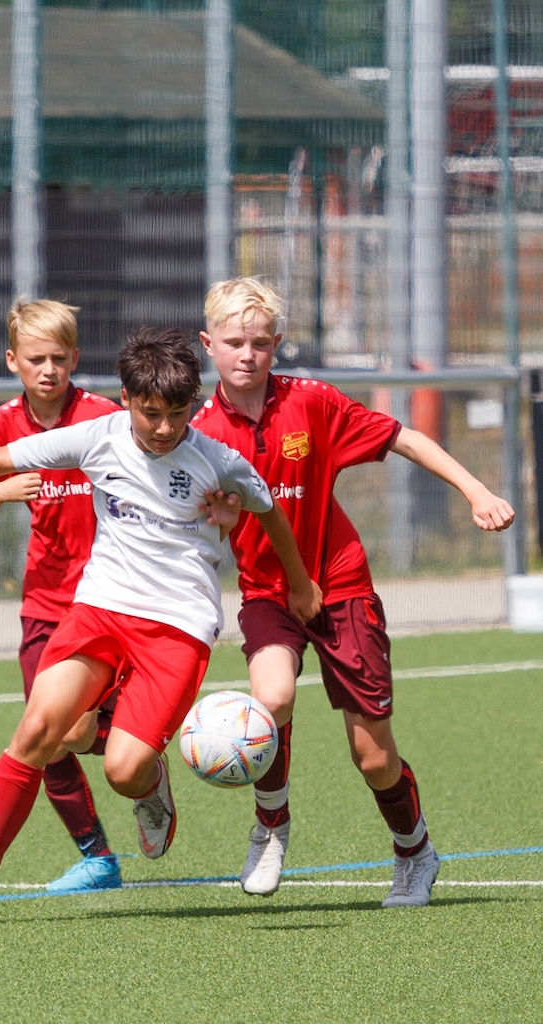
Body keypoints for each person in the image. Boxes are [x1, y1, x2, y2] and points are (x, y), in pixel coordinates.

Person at [0, 326, 322, 923]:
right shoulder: (97, 436)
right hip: (100, 609)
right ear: (126, 399)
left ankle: (150, 788)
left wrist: (300, 584)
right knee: (39, 731)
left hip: (178, 626)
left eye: (177, 414)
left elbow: (271, 512)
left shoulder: (217, 460)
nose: (164, 428)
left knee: (123, 771)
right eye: (151, 413)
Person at [193, 277, 515, 906]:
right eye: (233, 343)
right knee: (271, 699)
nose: (247, 355)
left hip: (340, 587)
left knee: (373, 758)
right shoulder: (199, 433)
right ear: (209, 345)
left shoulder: (310, 401)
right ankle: (271, 825)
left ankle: (415, 852)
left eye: (260, 343)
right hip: (268, 593)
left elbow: (404, 438)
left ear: (277, 343)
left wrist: (476, 491)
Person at [0, 298, 123, 894]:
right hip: (44, 604)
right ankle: (97, 858)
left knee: (88, 731)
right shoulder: (3, 424)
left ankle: (147, 766)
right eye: (36, 359)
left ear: (75, 358)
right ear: (13, 361)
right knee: (46, 731)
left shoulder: (103, 416)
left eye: (59, 358)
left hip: (110, 598)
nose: (49, 370)